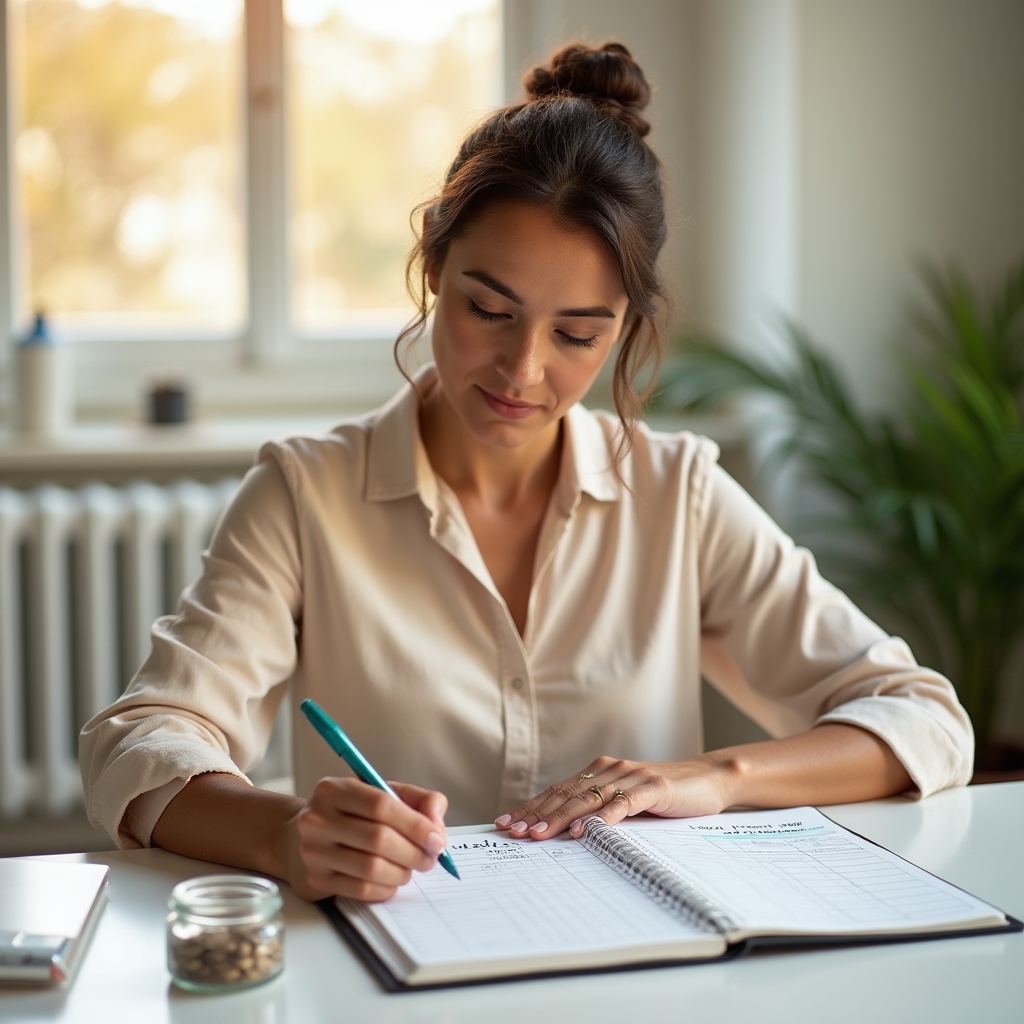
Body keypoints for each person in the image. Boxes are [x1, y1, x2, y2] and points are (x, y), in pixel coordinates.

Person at [80, 42, 972, 904]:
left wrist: (716, 776)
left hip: (644, 963)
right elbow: (141, 740)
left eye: (577, 335)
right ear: (432, 263)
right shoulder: (305, 495)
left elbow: (921, 716)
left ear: (622, 329)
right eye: (487, 310)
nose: (522, 371)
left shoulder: (679, 495)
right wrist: (282, 833)